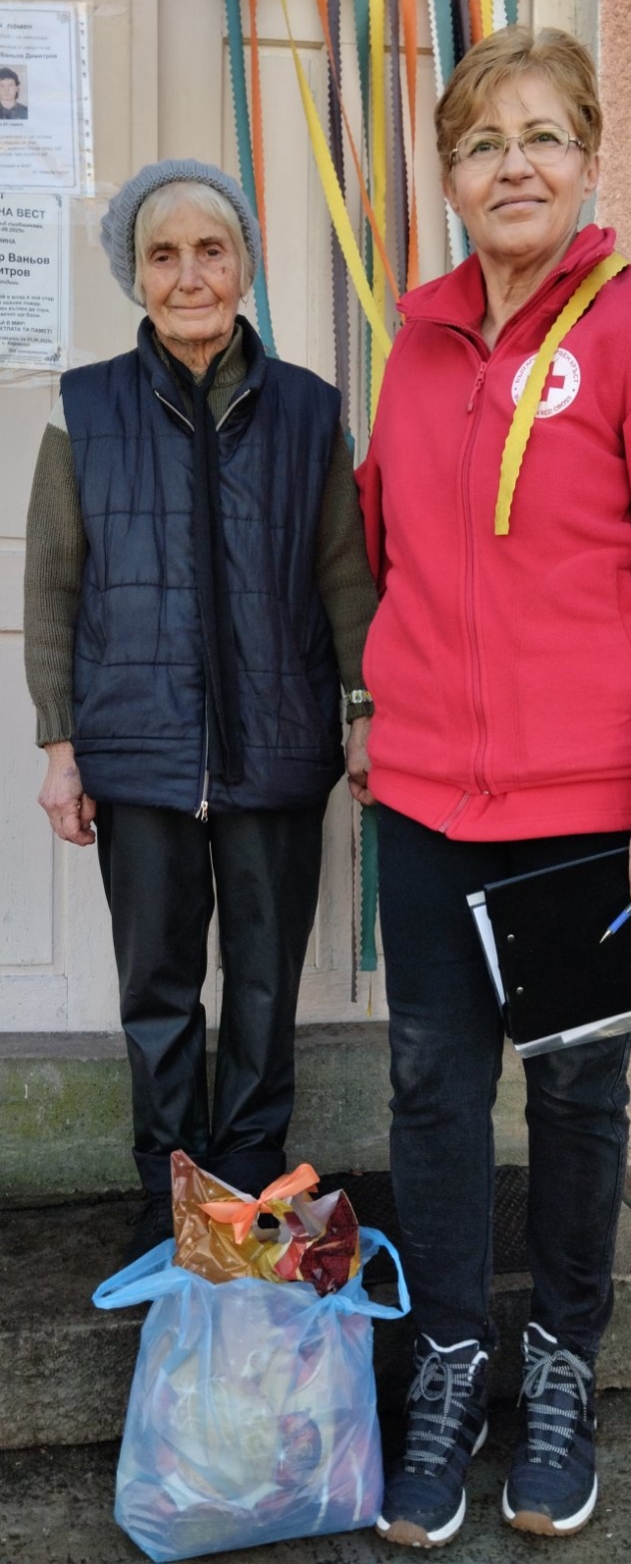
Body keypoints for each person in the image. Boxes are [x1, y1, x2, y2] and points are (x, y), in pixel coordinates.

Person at [357, 26, 631, 1547]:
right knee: (430, 1090)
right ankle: (447, 1363)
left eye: (541, 136)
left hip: (588, 814)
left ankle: (561, 1365)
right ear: (447, 178)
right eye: (480, 143)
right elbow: (384, 547)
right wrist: (381, 704)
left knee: (573, 1091)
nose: (512, 166)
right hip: (425, 803)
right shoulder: (416, 341)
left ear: (586, 158)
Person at [24, 158, 376, 1260]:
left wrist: (362, 709)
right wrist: (59, 744)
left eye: (210, 251)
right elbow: (53, 586)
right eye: (163, 255)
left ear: (243, 266)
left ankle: (254, 1189)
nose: (188, 276)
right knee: (159, 988)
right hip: (136, 750)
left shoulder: (309, 410)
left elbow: (342, 574)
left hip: (276, 746)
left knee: (264, 987)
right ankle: (171, 1196)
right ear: (136, 275)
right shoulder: (84, 406)